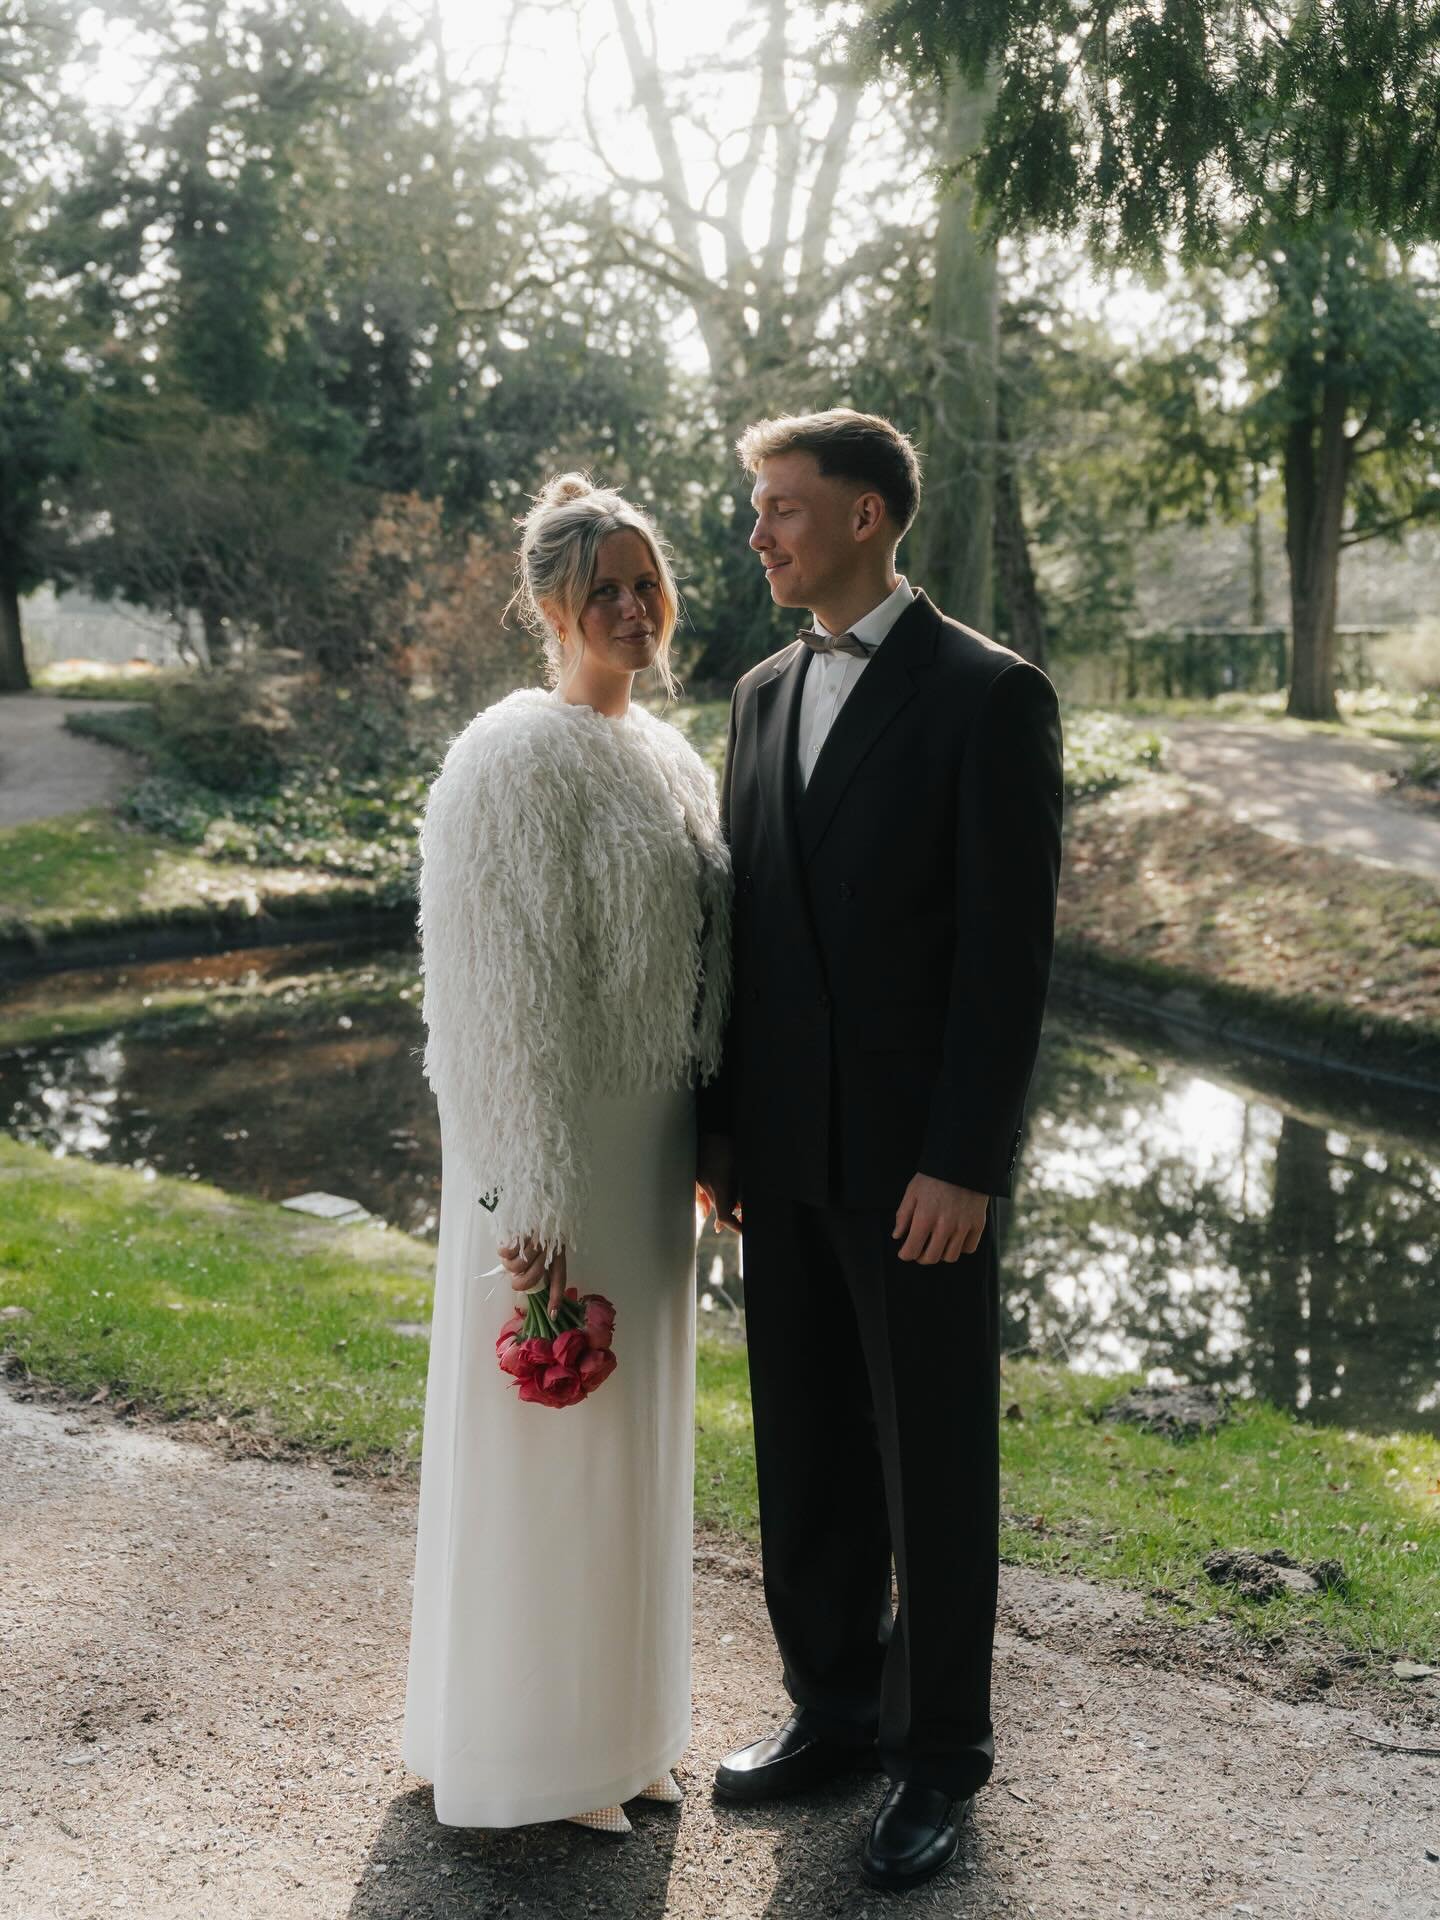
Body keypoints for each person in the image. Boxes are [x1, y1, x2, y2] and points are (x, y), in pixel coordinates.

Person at [695, 409, 1063, 1892]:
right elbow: (746, 934)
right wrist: (719, 1129)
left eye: (783, 507)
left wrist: (965, 1158)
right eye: (756, 509)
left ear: (866, 517)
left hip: (920, 1171)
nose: (761, 533)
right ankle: (833, 1709)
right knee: (809, 1450)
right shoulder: (759, 690)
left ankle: (937, 1758)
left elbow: (1004, 953)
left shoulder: (989, 695)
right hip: (780, 1153)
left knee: (932, 1466)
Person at [403, 472, 732, 1835]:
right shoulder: (510, 754)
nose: (632, 607)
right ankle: (535, 1747)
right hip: (549, 1158)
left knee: (636, 1439)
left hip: (650, 1148)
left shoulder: (673, 756)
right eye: (603, 587)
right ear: (549, 605)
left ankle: (625, 1731)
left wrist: (710, 1135)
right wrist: (516, 1199)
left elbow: (709, 973)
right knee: (554, 1442)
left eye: (646, 582)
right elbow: (488, 1005)